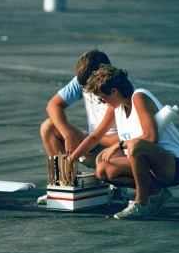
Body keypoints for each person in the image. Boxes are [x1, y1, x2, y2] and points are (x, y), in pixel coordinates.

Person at [68, 64, 179, 219]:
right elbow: (95, 137)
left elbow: (151, 137)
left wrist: (119, 144)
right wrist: (71, 158)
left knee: (135, 146)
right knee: (102, 169)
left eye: (103, 97)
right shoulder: (116, 107)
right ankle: (156, 193)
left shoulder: (139, 97)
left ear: (114, 91)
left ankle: (141, 204)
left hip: (175, 165)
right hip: (149, 166)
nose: (103, 102)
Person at [39, 50, 123, 204]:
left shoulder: (119, 89)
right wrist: (68, 135)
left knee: (110, 161)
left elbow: (132, 135)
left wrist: (87, 145)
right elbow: (53, 105)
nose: (89, 90)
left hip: (117, 148)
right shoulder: (83, 81)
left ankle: (118, 189)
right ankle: (63, 187)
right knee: (48, 127)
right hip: (94, 141)